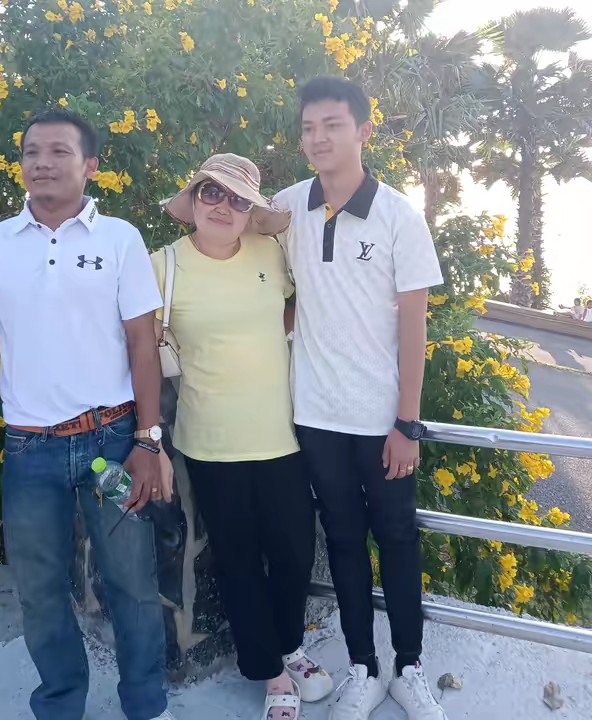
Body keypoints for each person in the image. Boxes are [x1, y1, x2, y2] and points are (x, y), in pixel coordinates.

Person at [0, 108, 177, 720]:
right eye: (31, 152)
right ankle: (58, 705)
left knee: (131, 583)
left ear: (90, 165)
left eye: (58, 152)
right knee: (40, 590)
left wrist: (149, 440)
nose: (41, 163)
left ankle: (146, 705)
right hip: (31, 451)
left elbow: (142, 344)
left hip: (112, 442)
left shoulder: (120, 239)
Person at [274, 77, 447, 720]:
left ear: (364, 131)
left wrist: (407, 423)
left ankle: (410, 667)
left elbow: (413, 326)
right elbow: (244, 259)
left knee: (397, 537)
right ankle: (363, 668)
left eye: (332, 125)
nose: (317, 138)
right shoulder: (287, 207)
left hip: (382, 420)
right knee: (344, 539)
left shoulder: (399, 215)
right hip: (316, 415)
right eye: (308, 128)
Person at [151, 154, 333, 720]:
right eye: (212, 193)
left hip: (282, 436)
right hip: (211, 443)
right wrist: (147, 438)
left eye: (237, 199)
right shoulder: (163, 267)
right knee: (238, 561)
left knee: (295, 553)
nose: (223, 207)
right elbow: (137, 354)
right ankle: (270, 671)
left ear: (251, 211)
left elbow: (300, 305)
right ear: (193, 199)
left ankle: (290, 644)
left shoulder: (268, 253)